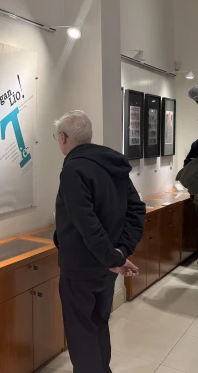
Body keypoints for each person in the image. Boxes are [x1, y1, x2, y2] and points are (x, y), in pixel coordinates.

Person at [53, 110, 145, 373]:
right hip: (107, 268)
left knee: (81, 334)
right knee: (99, 324)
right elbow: (137, 210)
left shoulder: (72, 170)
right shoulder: (114, 165)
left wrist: (115, 257)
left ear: (63, 138)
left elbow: (86, 223)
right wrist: (121, 253)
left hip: (81, 268)